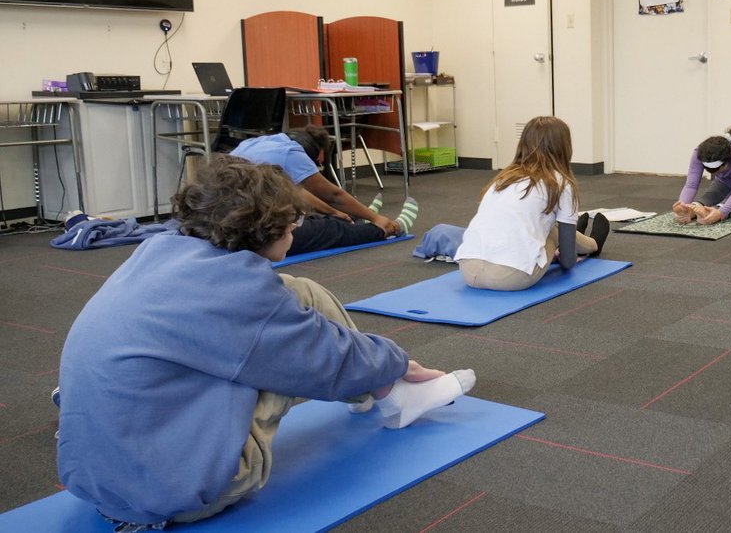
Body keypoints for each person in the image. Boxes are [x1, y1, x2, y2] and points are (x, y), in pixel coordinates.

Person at [56, 155, 474, 530]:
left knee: (295, 292)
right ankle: (392, 392)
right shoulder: (237, 295)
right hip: (179, 494)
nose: (296, 232)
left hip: (93, 481)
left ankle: (381, 391)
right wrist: (398, 362)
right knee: (296, 354)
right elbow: (325, 359)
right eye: (294, 226)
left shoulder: (157, 254)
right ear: (269, 230)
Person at [454, 116, 608, 291]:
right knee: (553, 230)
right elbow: (567, 262)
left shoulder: (503, 178)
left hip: (468, 271)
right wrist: (560, 254)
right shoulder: (561, 183)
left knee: (534, 226)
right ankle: (593, 244)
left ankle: (573, 235)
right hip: (510, 278)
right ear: (564, 147)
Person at [230, 125, 419, 255]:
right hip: (256, 232)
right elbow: (333, 195)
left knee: (312, 219)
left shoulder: (258, 143)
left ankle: (354, 218)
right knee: (330, 230)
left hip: (229, 225)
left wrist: (336, 212)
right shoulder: (292, 152)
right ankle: (387, 229)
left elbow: (299, 193)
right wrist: (375, 218)